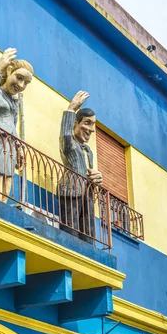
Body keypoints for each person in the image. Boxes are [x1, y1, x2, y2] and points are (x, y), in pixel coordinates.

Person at [0, 48, 33, 202]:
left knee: (8, 176)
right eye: (19, 78)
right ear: (9, 71)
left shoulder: (14, 102)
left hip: (10, 141)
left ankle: (2, 205)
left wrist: (20, 146)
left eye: (26, 83)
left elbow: (13, 125)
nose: (21, 85)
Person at [58, 90, 103, 242]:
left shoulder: (88, 151)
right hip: (70, 190)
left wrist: (97, 178)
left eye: (93, 125)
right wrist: (71, 109)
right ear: (75, 124)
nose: (91, 129)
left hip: (87, 194)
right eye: (87, 123)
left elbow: (89, 171)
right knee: (70, 231)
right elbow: (65, 134)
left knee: (89, 235)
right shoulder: (69, 143)